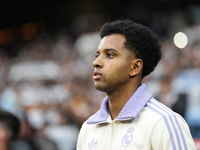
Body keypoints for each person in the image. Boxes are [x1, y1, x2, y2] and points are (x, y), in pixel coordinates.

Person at [76, 20, 196, 150]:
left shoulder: (164, 122)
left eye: (110, 55)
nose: (96, 62)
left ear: (135, 67)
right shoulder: (88, 128)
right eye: (97, 55)